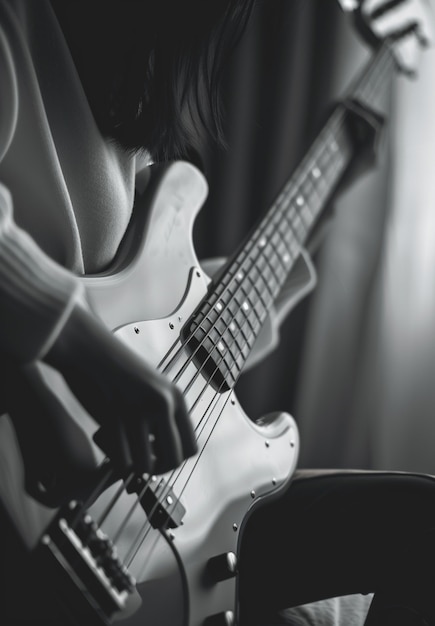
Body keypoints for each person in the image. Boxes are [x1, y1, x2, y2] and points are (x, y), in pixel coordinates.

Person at [0, 0, 433, 624]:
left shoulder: (123, 124)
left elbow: (177, 324)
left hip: (155, 497)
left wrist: (330, 183)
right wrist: (75, 350)